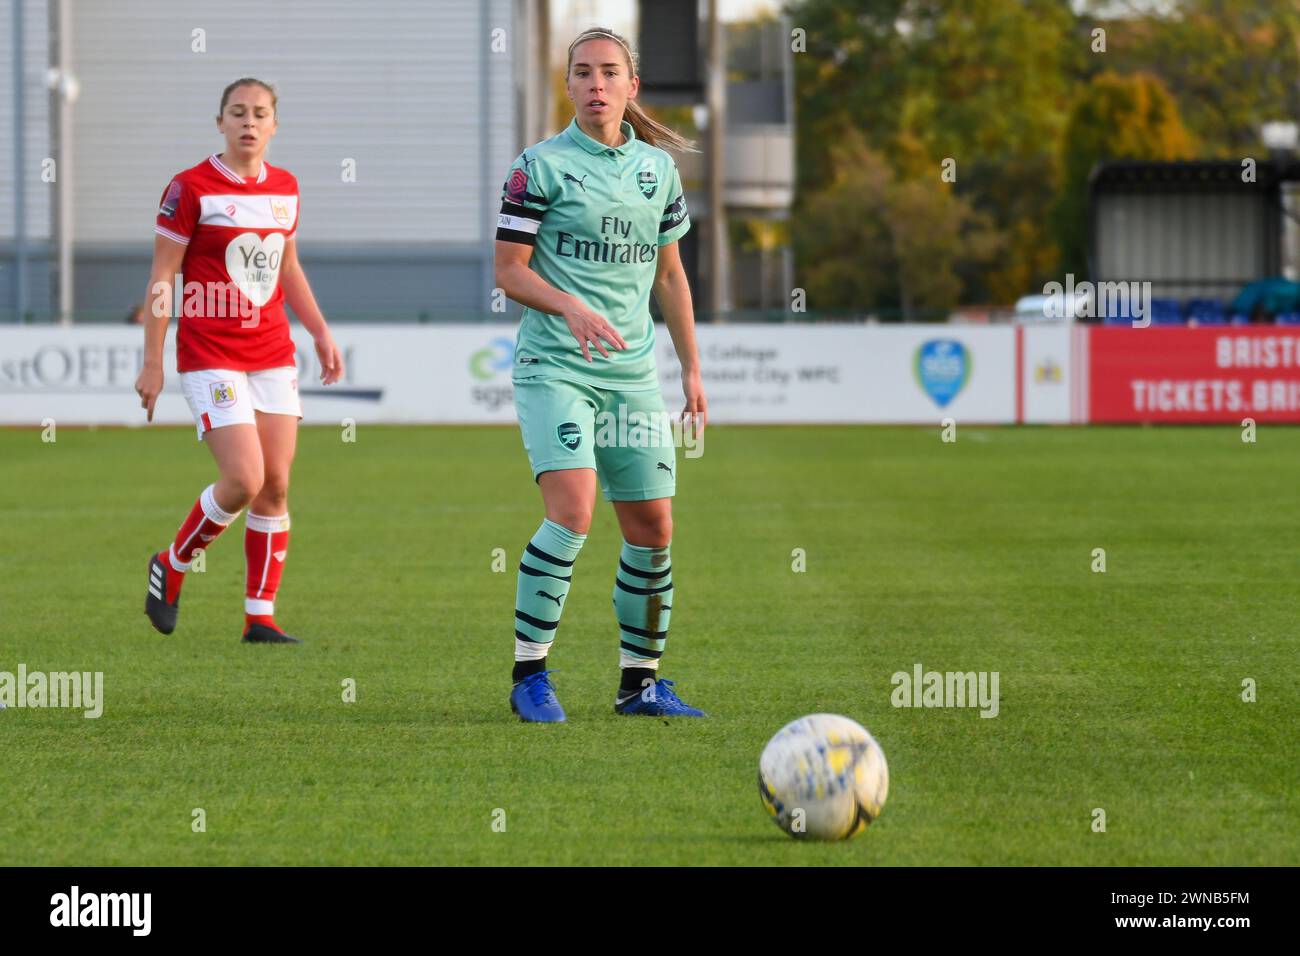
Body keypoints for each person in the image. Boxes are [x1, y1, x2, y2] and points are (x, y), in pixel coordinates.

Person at [495, 27, 708, 721]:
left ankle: (640, 683)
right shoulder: (539, 166)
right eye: (582, 73)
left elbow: (672, 278)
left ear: (631, 86)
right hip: (555, 366)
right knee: (574, 510)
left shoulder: (658, 172)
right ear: (568, 86)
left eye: (608, 72)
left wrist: (693, 373)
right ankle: (531, 676)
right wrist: (571, 308)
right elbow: (508, 272)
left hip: (631, 375)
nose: (595, 85)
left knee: (652, 525)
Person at [134, 77, 343, 644]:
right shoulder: (189, 188)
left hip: (272, 352)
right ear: (220, 121)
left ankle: (260, 617)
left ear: (275, 124)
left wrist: (320, 332)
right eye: (237, 112)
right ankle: (172, 564)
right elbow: (163, 277)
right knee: (244, 478)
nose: (249, 122)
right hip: (210, 354)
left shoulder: (286, 188)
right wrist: (152, 360)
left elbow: (288, 266)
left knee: (275, 484)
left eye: (260, 113)